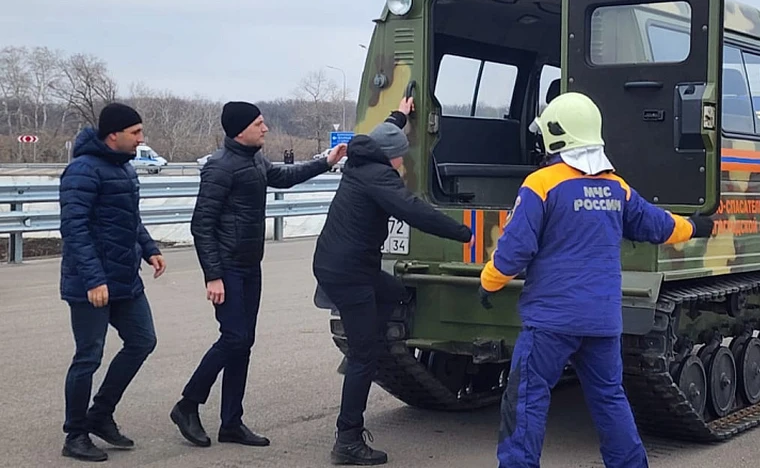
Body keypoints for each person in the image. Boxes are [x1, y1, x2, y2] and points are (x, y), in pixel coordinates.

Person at [478, 92, 715, 468]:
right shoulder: (615, 187)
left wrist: (489, 283)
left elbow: (514, 252)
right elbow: (657, 225)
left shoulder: (540, 184)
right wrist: (697, 226)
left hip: (551, 322)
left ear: (556, 136)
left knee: (526, 398)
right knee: (609, 397)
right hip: (603, 321)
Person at [169, 101, 348, 449]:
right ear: (240, 129)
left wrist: (326, 162)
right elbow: (201, 225)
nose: (265, 129)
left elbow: (283, 177)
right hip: (228, 268)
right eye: (259, 124)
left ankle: (231, 423)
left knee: (244, 343)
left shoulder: (255, 159)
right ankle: (187, 404)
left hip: (251, 265)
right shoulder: (219, 168)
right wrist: (213, 276)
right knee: (234, 338)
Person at [313, 95, 475, 466]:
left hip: (349, 265)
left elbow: (381, 134)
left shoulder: (362, 160)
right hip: (348, 273)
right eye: (400, 156)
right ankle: (348, 439)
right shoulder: (379, 177)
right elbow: (414, 211)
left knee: (395, 292)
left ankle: (375, 333)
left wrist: (400, 114)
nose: (403, 161)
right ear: (389, 158)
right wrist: (465, 234)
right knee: (363, 357)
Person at [58, 103, 167, 462]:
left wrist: (149, 249)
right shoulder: (82, 171)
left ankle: (100, 414)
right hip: (92, 283)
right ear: (113, 135)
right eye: (135, 133)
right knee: (88, 356)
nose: (141, 139)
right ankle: (75, 434)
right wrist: (93, 280)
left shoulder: (124, 170)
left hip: (124, 278)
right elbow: (74, 229)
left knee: (142, 341)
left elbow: (129, 219)